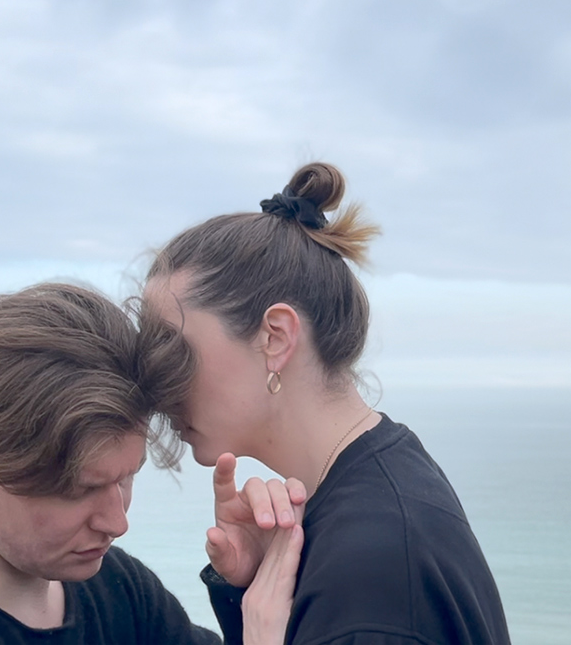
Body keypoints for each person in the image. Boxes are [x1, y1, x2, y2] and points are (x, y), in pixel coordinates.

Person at [0, 282, 303, 645]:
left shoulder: (120, 592)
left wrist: (249, 591)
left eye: (126, 479)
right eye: (79, 490)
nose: (117, 522)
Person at [142, 163, 512, 644]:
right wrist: (253, 589)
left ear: (275, 338)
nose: (154, 383)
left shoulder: (371, 575)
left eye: (170, 350)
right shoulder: (379, 486)